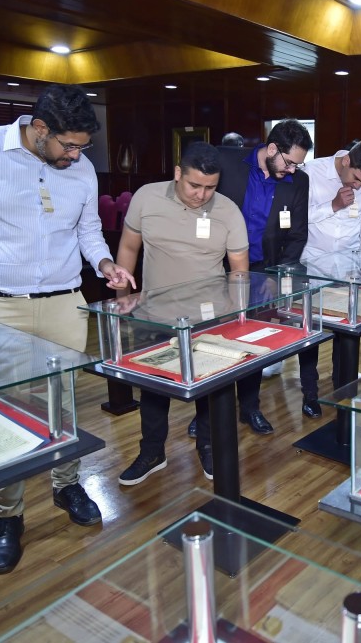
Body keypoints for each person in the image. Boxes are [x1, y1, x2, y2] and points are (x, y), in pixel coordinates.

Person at [0, 83, 136, 575]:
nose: (76, 156)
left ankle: (66, 484)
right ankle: (8, 514)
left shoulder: (78, 166)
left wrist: (104, 263)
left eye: (82, 147)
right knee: (4, 413)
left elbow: (87, 229)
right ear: (39, 129)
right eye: (69, 145)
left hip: (64, 302)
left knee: (63, 402)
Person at [114, 142, 249, 485]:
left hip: (209, 318)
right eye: (194, 185)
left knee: (209, 389)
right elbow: (128, 247)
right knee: (153, 389)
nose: (202, 195)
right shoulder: (147, 197)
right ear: (178, 173)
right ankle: (152, 452)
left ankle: (207, 446)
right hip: (154, 314)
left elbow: (239, 270)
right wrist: (121, 304)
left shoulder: (228, 211)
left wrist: (238, 319)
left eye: (210, 187)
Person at [215, 119, 312, 433]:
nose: (293, 170)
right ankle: (207, 414)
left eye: (298, 164)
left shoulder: (298, 181)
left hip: (262, 271)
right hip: (219, 269)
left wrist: (276, 273)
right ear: (272, 149)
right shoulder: (227, 164)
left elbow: (297, 235)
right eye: (290, 162)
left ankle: (249, 407)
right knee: (215, 339)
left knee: (253, 340)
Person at [289, 139, 361, 410]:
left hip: (348, 266)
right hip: (310, 263)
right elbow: (297, 219)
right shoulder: (312, 171)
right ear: (346, 161)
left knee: (346, 332)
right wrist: (332, 205)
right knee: (310, 330)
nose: (358, 187)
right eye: (356, 179)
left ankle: (343, 389)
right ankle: (310, 392)